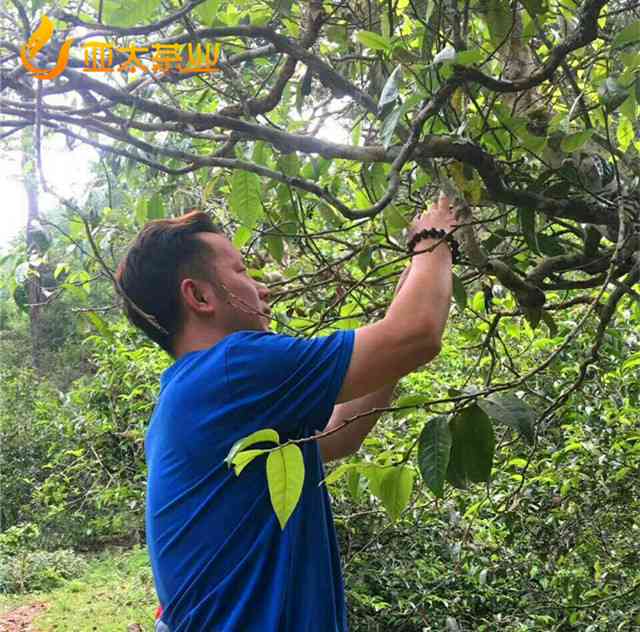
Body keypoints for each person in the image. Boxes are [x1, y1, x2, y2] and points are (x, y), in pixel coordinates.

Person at [115, 193, 456, 632]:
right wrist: (435, 236)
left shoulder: (190, 391)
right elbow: (418, 335)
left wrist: (398, 332)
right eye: (240, 271)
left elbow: (335, 435)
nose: (263, 287)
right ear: (199, 296)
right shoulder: (234, 368)